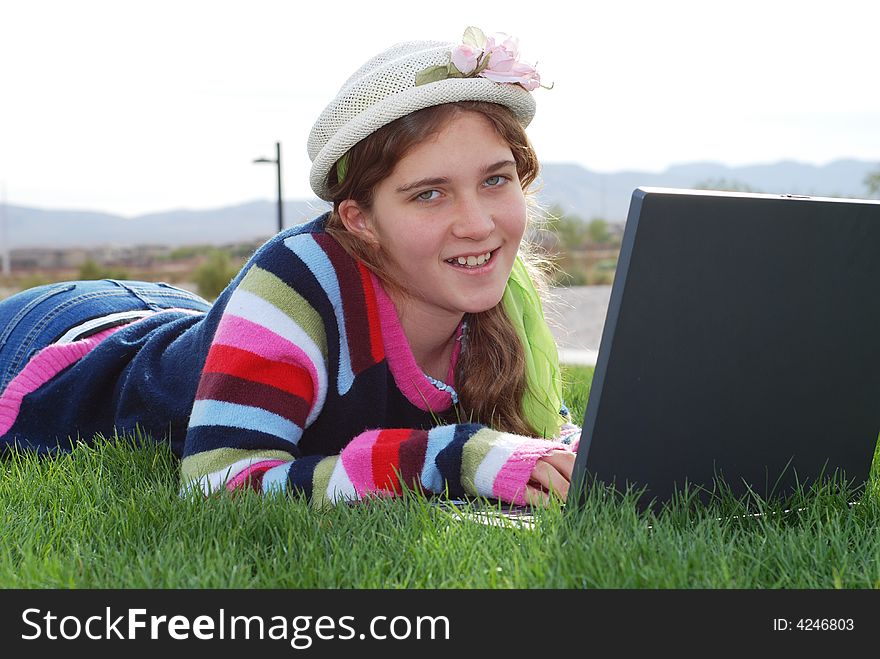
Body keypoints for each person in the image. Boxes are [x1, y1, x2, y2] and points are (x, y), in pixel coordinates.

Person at [0, 27, 580, 507]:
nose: (478, 223)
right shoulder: (300, 277)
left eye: (495, 179)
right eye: (429, 194)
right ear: (360, 220)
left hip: (186, 318)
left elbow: (546, 437)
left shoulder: (502, 290)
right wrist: (450, 456)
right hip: (58, 337)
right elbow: (217, 487)